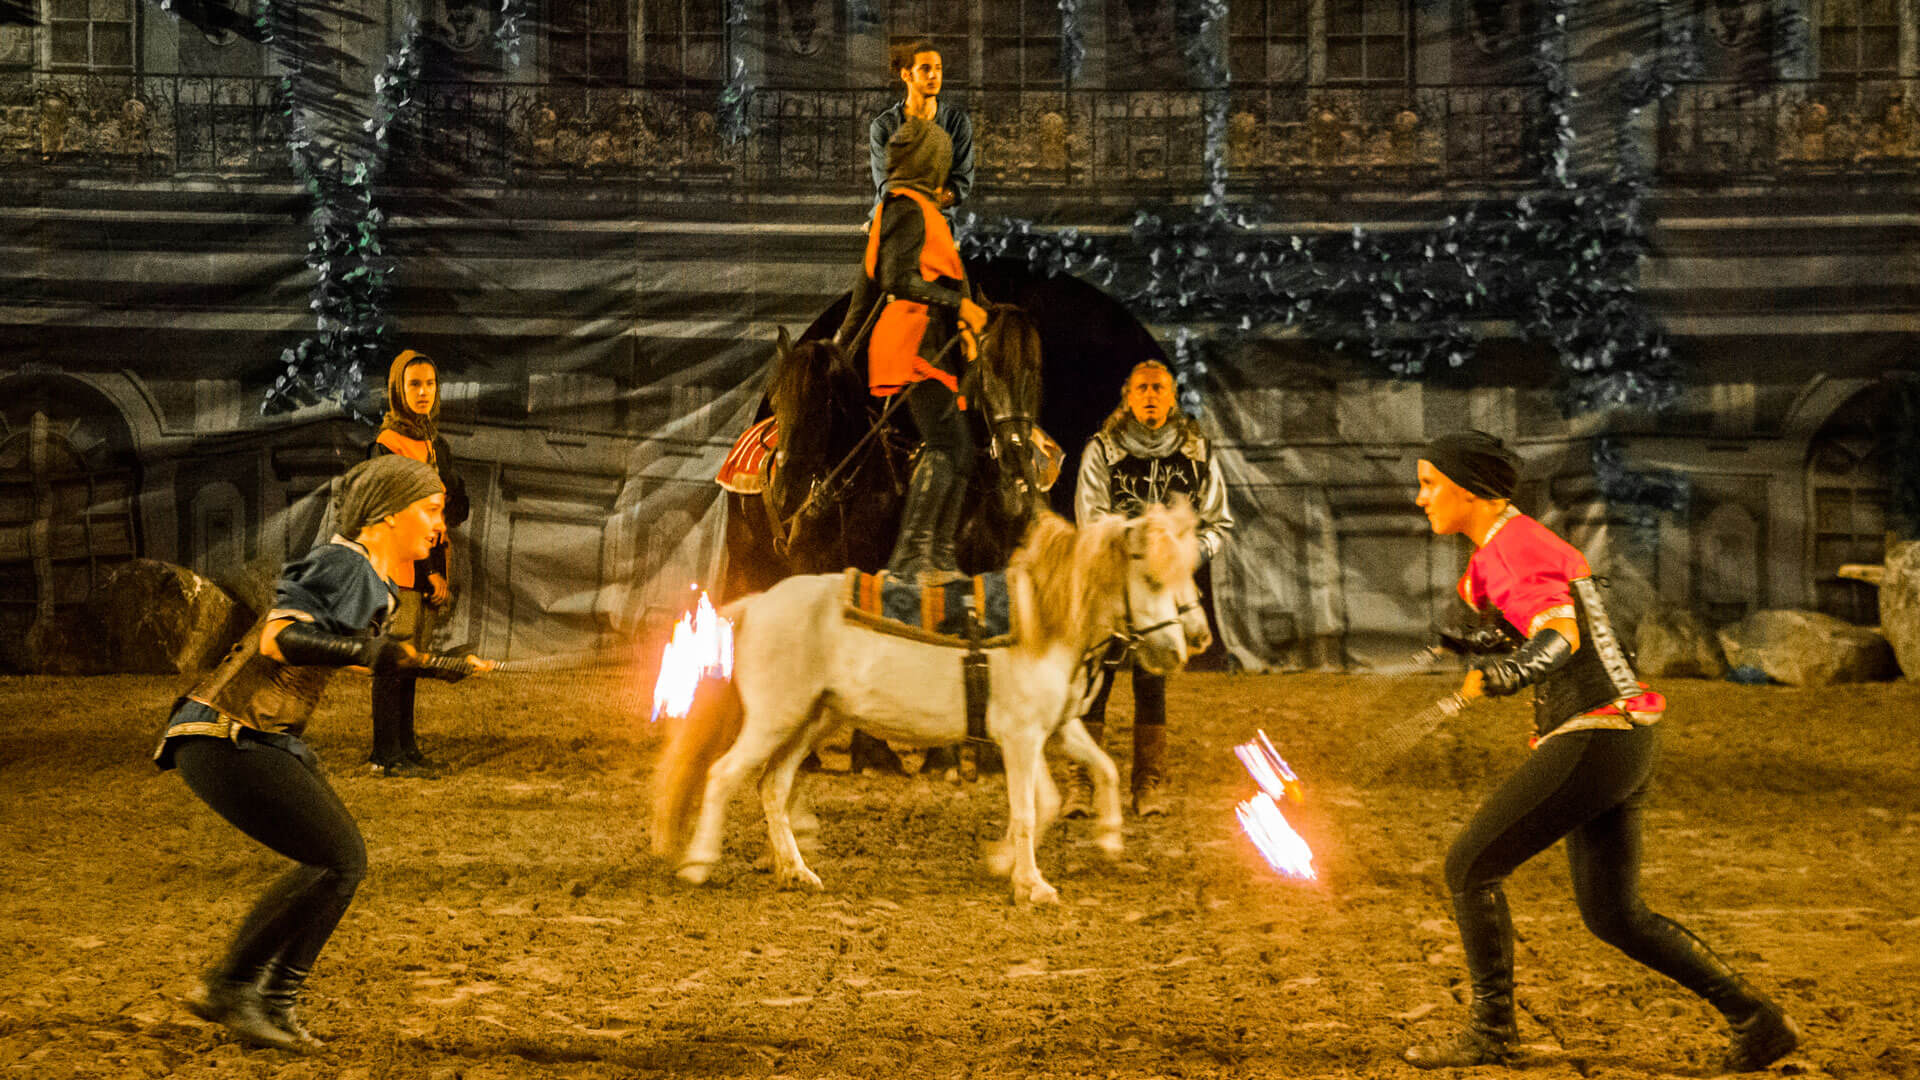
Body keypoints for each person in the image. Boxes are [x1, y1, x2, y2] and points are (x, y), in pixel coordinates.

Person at [1400, 430, 1800, 1073]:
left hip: (1595, 734)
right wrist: (1479, 643)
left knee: (1469, 867)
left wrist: (1510, 672)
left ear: (1470, 487)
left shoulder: (1513, 547)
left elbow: (1559, 636)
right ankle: (1760, 1020)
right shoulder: (1503, 548)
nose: (1418, 498)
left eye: (1428, 482)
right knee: (1615, 914)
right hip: (1620, 737)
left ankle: (1493, 1034)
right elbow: (1536, 619)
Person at [154, 455, 494, 1052]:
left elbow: (364, 649)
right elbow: (277, 637)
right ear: (387, 516)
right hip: (226, 733)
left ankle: (253, 997)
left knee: (338, 863)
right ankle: (243, 991)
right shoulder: (346, 563)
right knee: (340, 860)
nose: (442, 526)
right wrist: (371, 654)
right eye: (432, 510)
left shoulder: (375, 580)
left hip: (252, 734)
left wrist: (438, 665)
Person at [1067, 360, 1230, 817]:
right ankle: (1082, 781)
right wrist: (1133, 549)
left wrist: (1181, 558)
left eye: (1160, 388)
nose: (1152, 395)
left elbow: (1218, 523)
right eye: (1143, 388)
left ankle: (1148, 784)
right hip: (1112, 581)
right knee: (1094, 682)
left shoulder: (1197, 453)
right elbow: (1090, 516)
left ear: (1173, 397)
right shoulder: (1102, 450)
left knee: (1151, 678)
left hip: (1163, 588)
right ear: (1128, 396)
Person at [842, 114, 987, 585]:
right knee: (950, 444)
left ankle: (938, 555)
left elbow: (863, 289)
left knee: (960, 450)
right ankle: (912, 558)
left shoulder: (913, 209)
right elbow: (893, 280)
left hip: (926, 340)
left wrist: (842, 342)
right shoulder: (906, 207)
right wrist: (960, 305)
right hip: (911, 338)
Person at [366, 349, 471, 778]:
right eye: (414, 384)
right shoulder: (388, 444)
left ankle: (405, 747)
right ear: (398, 390)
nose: (423, 392)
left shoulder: (432, 442)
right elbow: (395, 514)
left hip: (428, 567)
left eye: (430, 384)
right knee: (393, 661)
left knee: (412, 660)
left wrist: (447, 511)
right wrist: (429, 573)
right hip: (401, 570)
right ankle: (383, 754)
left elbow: (451, 504)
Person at [868, 39, 974, 216]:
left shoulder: (956, 122)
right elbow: (885, 183)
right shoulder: (883, 126)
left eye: (938, 68)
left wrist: (939, 201)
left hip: (939, 219)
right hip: (895, 219)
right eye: (925, 69)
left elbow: (961, 181)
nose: (934, 75)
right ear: (906, 75)